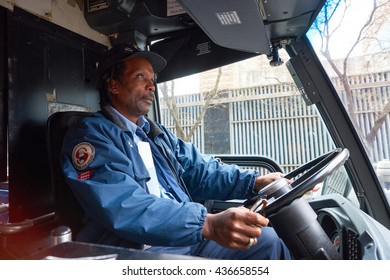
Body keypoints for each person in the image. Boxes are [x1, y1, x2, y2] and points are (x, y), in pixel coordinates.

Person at [61, 43, 292, 259]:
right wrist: (207, 224)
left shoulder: (154, 134)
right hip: (136, 250)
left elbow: (201, 170)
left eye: (153, 79)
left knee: (266, 239)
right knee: (265, 242)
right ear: (113, 85)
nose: (151, 86)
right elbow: (123, 204)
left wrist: (255, 182)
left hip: (181, 239)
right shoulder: (91, 136)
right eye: (140, 77)